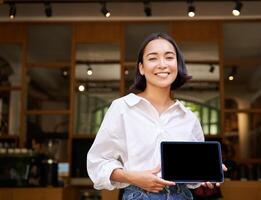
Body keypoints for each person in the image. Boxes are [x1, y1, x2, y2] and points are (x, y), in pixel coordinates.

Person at [87, 32, 225, 200]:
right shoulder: (122, 108)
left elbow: (192, 179)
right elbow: (97, 163)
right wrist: (131, 177)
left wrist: (206, 173)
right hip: (138, 195)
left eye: (169, 57)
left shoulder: (189, 117)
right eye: (153, 58)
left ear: (177, 64)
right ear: (141, 68)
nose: (162, 64)